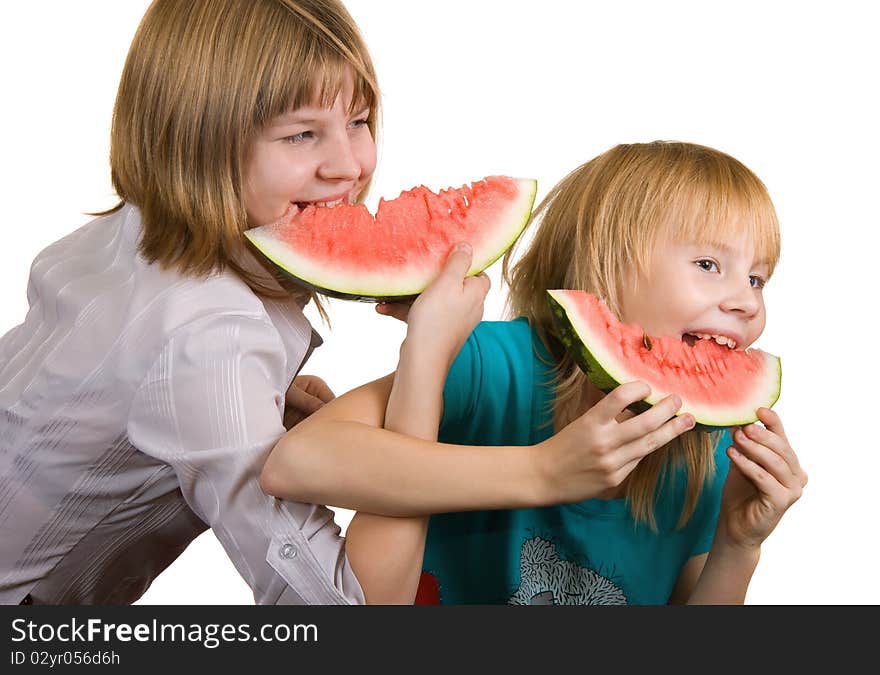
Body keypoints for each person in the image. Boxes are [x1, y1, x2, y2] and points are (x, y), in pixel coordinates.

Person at [261, 141, 808, 604]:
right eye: (709, 266)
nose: (746, 302)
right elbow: (295, 461)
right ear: (605, 262)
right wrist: (544, 468)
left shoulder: (707, 451)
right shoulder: (497, 366)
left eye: (758, 279)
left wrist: (740, 544)